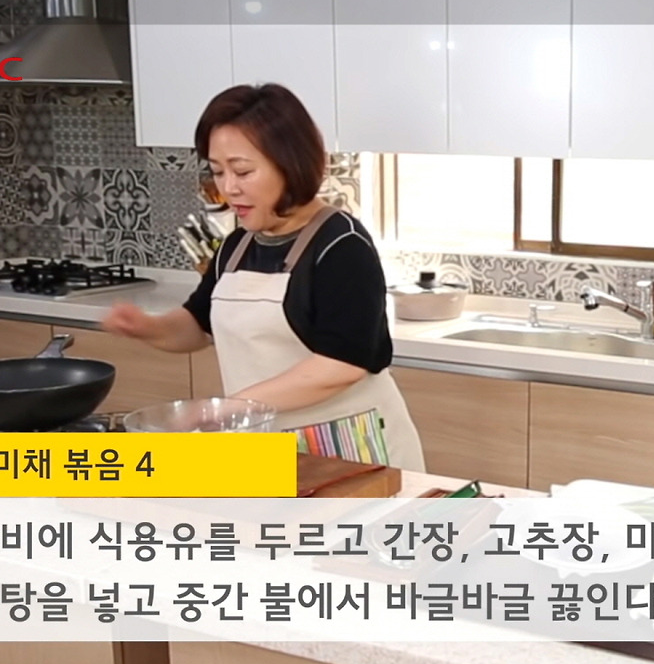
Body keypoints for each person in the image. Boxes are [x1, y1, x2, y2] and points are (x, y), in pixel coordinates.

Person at [100, 83, 425, 473]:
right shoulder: (236, 246)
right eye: (217, 171)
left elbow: (342, 364)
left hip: (350, 449)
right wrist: (147, 327)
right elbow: (197, 326)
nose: (228, 187)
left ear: (290, 164)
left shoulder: (341, 245)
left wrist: (223, 409)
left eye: (242, 171)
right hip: (268, 448)